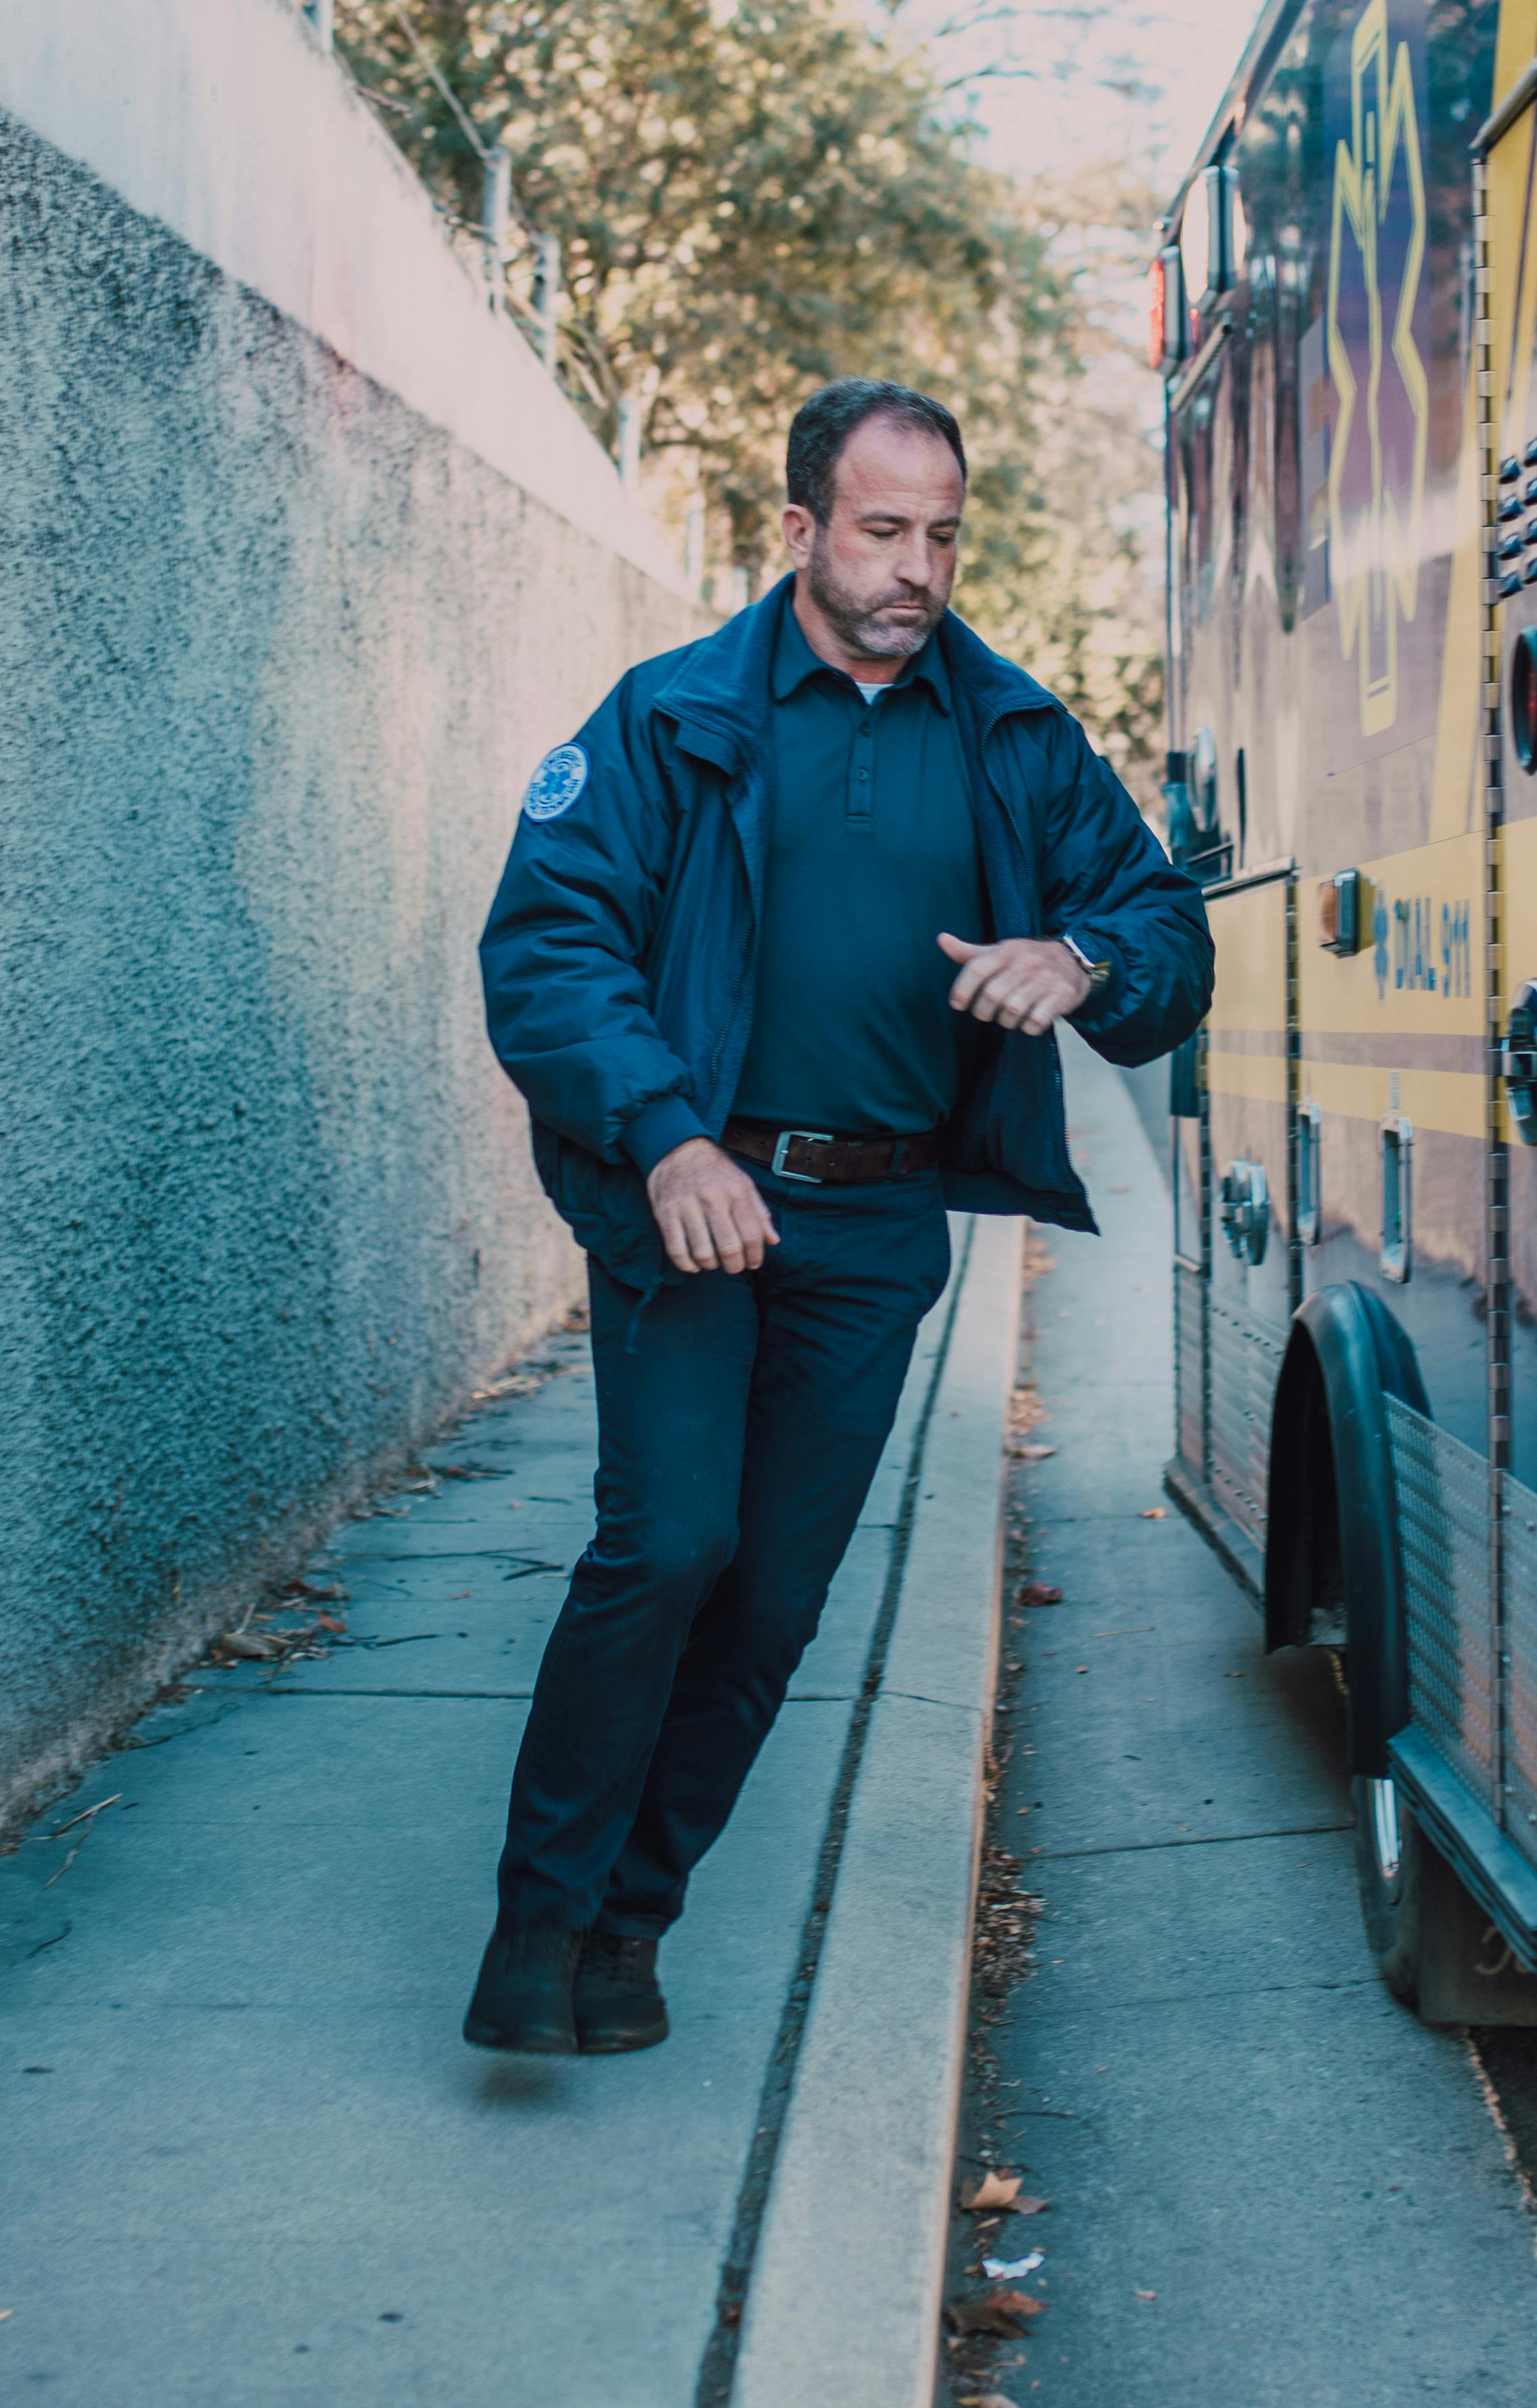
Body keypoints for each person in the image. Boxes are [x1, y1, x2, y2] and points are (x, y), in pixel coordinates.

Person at [465, 377, 1210, 2054]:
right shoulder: (675, 719)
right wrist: (664, 1139)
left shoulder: (1013, 736)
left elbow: (1161, 917)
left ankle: (631, 1921)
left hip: (876, 1236)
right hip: (697, 1203)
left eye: (944, 534)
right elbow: (550, 948)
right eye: (884, 531)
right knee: (669, 1544)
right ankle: (537, 1915)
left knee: (776, 1596)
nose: (917, 567)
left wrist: (1083, 958)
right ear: (800, 528)